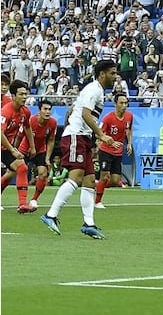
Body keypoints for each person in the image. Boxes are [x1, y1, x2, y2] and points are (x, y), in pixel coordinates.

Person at [40, 60, 121, 239]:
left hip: (83, 137)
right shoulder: (94, 89)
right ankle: (50, 215)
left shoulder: (96, 90)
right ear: (102, 74)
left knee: (90, 181)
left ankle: (88, 223)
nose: (115, 77)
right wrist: (102, 135)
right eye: (112, 73)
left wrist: (92, 139)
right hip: (76, 136)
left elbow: (77, 110)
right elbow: (85, 113)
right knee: (75, 178)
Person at [94, 92, 134, 208]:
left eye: (126, 103)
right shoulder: (108, 118)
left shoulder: (129, 116)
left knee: (115, 180)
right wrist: (108, 140)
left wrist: (129, 143)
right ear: (115, 104)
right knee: (105, 176)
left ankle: (97, 187)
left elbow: (129, 130)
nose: (124, 105)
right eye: (121, 103)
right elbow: (98, 133)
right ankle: (97, 201)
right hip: (105, 151)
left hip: (118, 152)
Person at [1, 79, 35, 211]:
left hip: (5, 147)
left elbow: (27, 127)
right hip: (4, 145)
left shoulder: (25, 111)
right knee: (20, 169)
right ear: (13, 96)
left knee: (21, 168)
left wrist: (32, 146)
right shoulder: (6, 111)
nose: (24, 97)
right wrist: (13, 150)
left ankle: (22, 204)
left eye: (25, 94)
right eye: (21, 94)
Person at [21, 99, 58, 212]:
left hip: (40, 150)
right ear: (39, 110)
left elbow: (51, 140)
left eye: (49, 110)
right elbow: (19, 135)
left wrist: (47, 158)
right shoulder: (30, 121)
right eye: (45, 109)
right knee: (12, 173)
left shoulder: (53, 123)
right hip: (25, 150)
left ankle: (34, 200)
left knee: (43, 173)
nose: (47, 112)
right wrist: (15, 150)